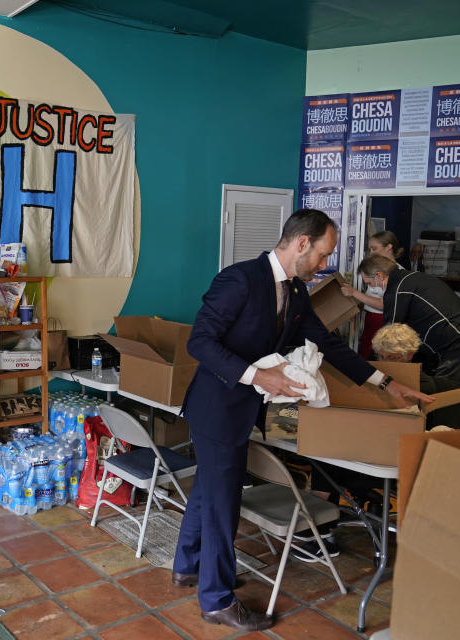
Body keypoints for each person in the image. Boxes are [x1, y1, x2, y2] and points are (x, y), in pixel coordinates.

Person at [172, 209, 430, 632]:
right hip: (216, 407)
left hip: (242, 410)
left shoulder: (294, 291)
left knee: (208, 490)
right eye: (324, 254)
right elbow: (200, 341)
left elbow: (325, 342)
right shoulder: (239, 279)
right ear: (302, 243)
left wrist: (385, 381)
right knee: (223, 504)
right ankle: (216, 599)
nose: (325, 265)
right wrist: (260, 375)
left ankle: (187, 567)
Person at [357, 254, 460, 400]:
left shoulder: (398, 289)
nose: (372, 288)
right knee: (447, 408)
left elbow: (386, 339)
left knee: (441, 408)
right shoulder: (416, 278)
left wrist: (368, 371)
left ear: (379, 276)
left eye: (370, 284)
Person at [371, 323, 460, 428]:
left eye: (392, 358)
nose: (385, 363)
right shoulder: (373, 375)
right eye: (381, 357)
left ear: (409, 355)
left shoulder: (423, 386)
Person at [339, 230, 405, 358]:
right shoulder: (375, 268)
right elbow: (371, 299)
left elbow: (385, 304)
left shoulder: (397, 273)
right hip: (370, 319)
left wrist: (354, 293)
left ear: (389, 247)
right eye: (369, 249)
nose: (371, 253)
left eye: (374, 248)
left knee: (375, 356)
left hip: (381, 321)